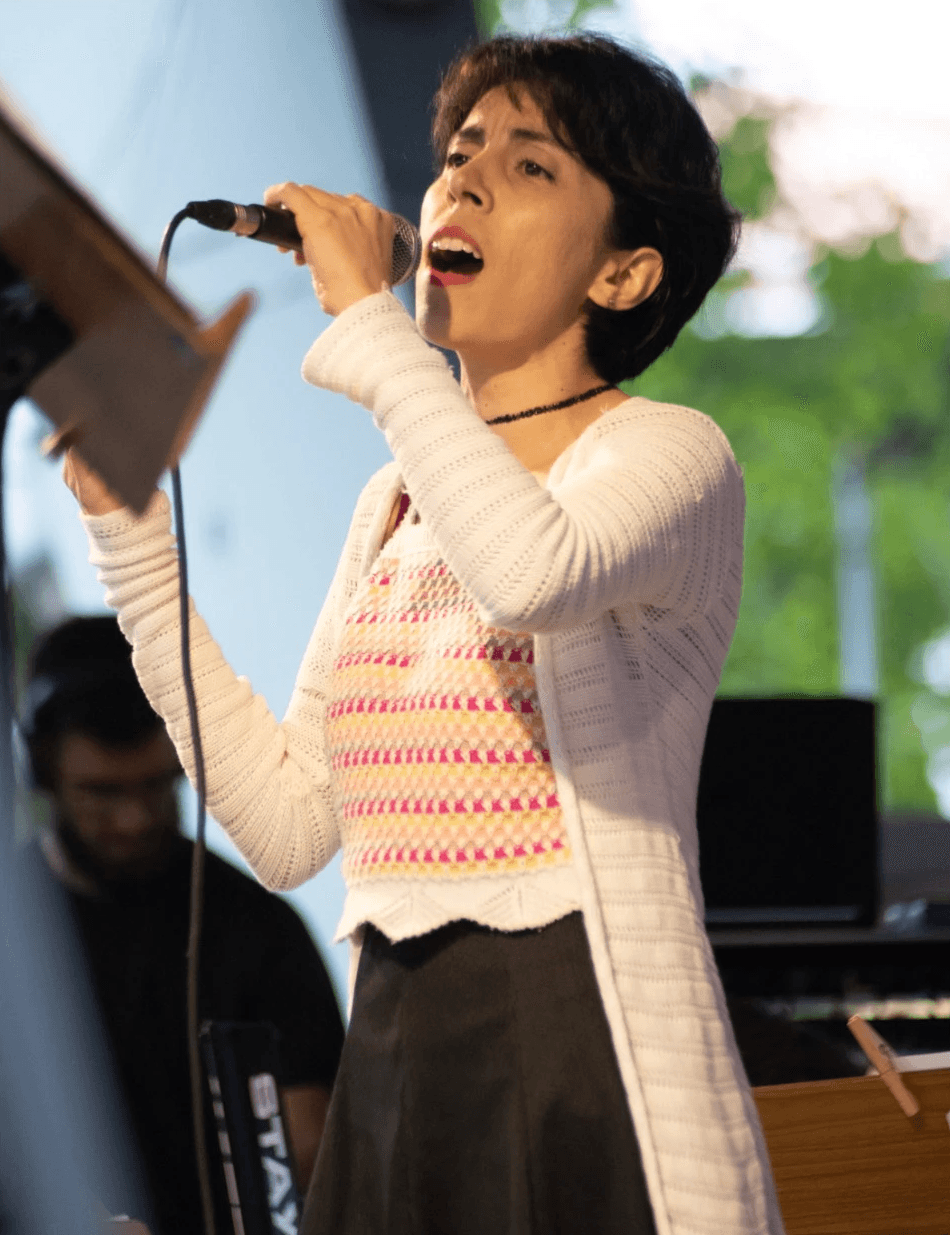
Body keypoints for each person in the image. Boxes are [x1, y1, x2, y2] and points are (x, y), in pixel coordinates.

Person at [63, 32, 786, 1235]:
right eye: (456, 155)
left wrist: (365, 312)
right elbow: (291, 823)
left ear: (622, 275)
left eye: (531, 165)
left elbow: (529, 570)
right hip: (397, 1038)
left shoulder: (665, 455)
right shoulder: (390, 506)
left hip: (573, 1030)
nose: (463, 180)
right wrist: (132, 540)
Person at [20, 615, 345, 1235]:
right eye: (100, 792)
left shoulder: (262, 931)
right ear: (43, 774)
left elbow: (316, 1146)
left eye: (156, 786)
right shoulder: (16, 941)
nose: (135, 818)